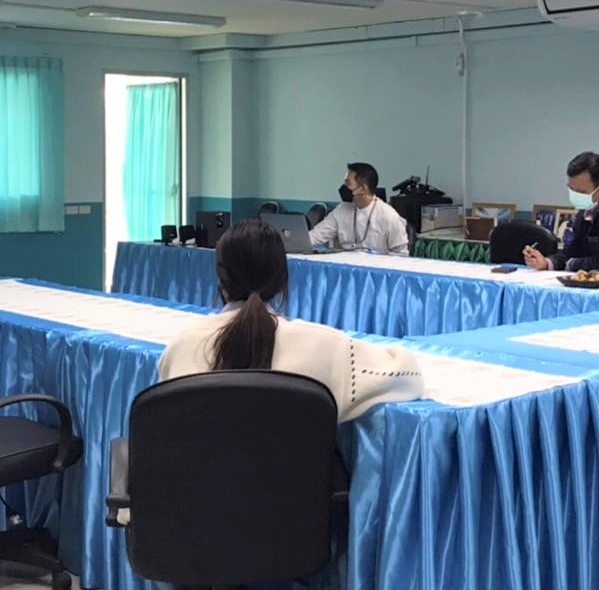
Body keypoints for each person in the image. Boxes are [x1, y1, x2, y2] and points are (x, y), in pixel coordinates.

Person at [158, 219, 425, 420]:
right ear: (282, 279)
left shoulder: (182, 347)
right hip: (296, 481)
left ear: (220, 279)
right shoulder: (326, 347)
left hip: (201, 480)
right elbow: (407, 376)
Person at [308, 162, 410, 256]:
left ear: (363, 188)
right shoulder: (341, 210)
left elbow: (401, 255)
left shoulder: (389, 216)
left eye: (348, 183)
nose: (344, 187)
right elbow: (316, 236)